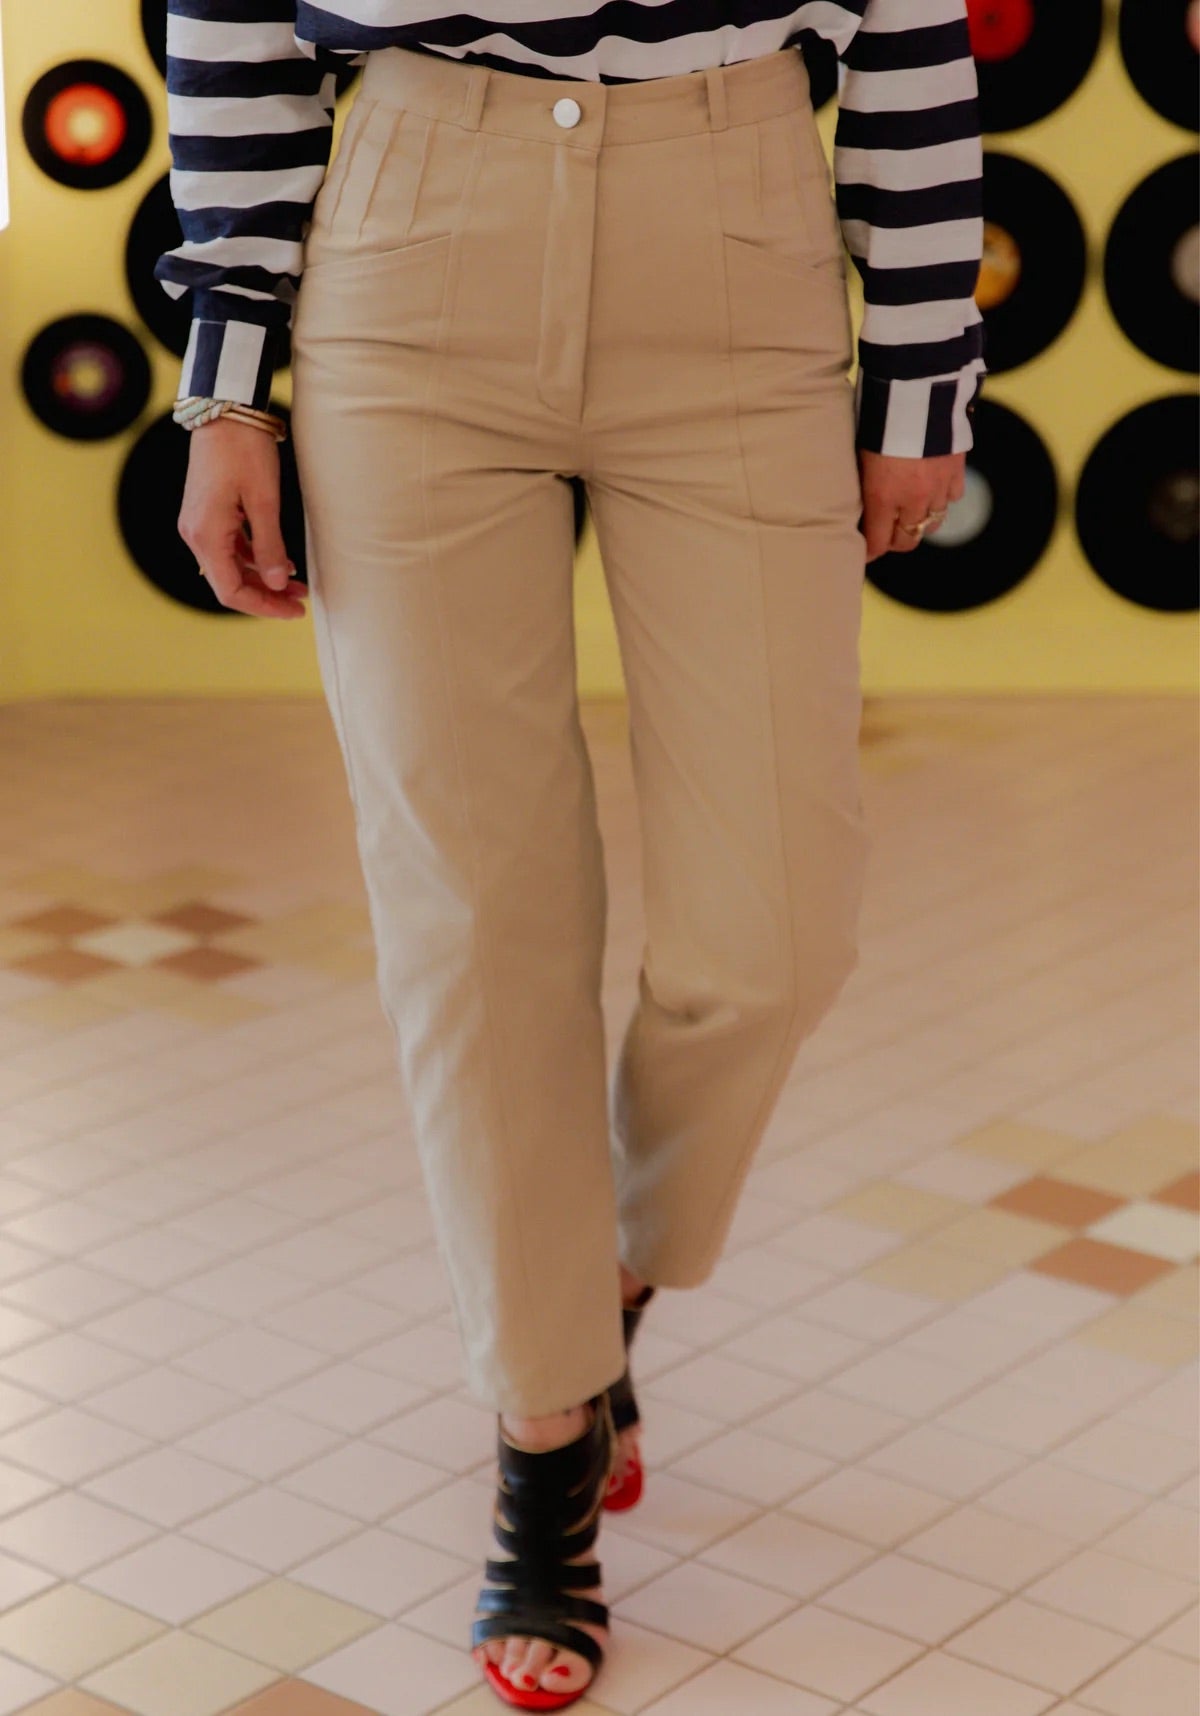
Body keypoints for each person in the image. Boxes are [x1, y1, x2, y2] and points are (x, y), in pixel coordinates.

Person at [155, 2, 985, 1708]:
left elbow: (911, 22)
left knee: (777, 928)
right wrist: (226, 390)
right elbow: (230, 22)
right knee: (474, 914)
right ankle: (543, 1443)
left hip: (737, 221)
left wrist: (920, 359)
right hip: (411, 228)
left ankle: (595, 1287)